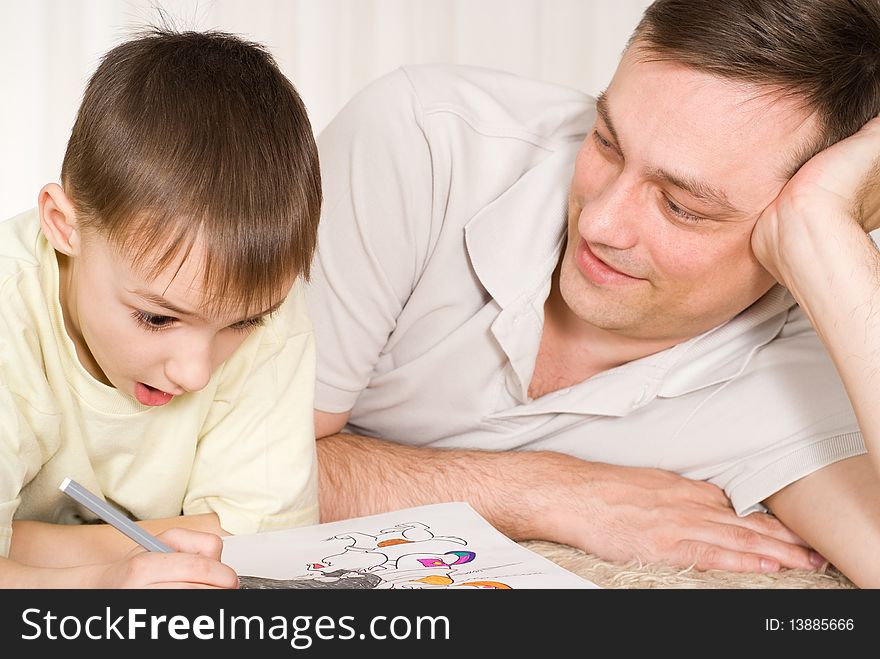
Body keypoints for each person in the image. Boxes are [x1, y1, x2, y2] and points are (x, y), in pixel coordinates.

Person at [307, 0, 880, 587]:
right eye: (607, 143)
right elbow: (225, 463)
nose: (601, 224)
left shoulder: (817, 366)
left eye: (682, 206)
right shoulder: (424, 141)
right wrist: (550, 491)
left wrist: (831, 234)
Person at [0, 28, 322, 587]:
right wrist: (96, 583)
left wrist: (22, 545)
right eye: (157, 318)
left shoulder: (263, 297)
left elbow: (268, 543)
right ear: (63, 225)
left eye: (243, 323)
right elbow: (224, 539)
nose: (195, 373)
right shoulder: (11, 309)